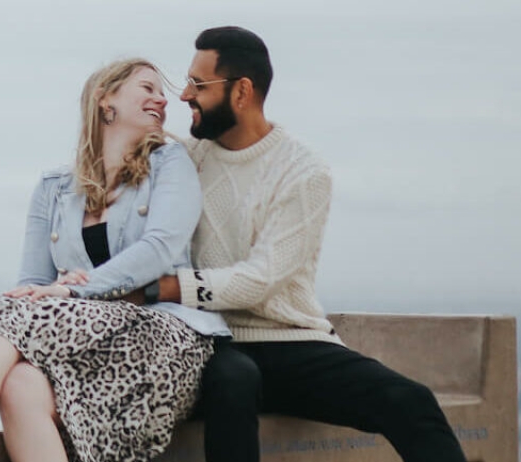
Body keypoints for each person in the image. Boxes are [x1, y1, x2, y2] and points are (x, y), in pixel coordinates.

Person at [0, 57, 231, 462]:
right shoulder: (53, 188)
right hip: (87, 341)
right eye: (147, 88)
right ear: (106, 101)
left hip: (162, 336)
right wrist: (52, 293)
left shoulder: (170, 164)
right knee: (19, 383)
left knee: (10, 312)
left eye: (161, 92)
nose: (162, 99)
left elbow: (160, 249)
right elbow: (33, 282)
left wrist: (73, 289)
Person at [145, 26, 468, 462]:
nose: (184, 95)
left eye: (198, 84)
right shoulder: (183, 159)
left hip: (291, 343)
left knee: (411, 402)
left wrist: (162, 287)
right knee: (233, 384)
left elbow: (261, 280)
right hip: (210, 344)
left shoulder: (303, 171)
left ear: (242, 92)